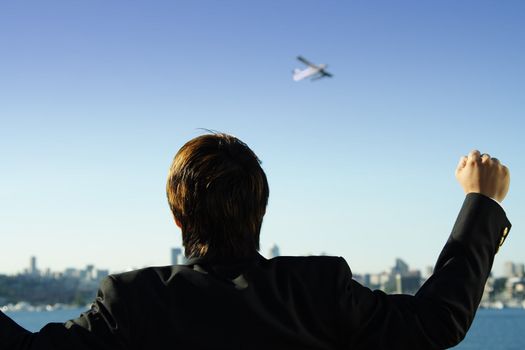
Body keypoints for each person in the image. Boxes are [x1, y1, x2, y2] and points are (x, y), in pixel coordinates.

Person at [0, 132, 511, 350]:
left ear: (178, 219)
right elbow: (436, 323)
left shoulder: (132, 303)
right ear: (260, 211)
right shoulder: (318, 289)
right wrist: (480, 203)